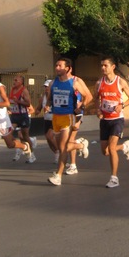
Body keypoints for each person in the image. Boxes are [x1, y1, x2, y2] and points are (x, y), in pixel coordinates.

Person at [48, 58, 92, 186]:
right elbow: (49, 98)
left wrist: (81, 107)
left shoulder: (75, 82)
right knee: (62, 147)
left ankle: (58, 176)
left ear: (67, 68)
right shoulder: (53, 82)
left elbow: (88, 96)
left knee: (63, 148)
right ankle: (80, 145)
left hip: (68, 117)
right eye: (56, 65)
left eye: (60, 66)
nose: (57, 68)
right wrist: (47, 105)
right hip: (56, 117)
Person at [94, 57, 129, 188]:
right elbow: (96, 98)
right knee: (105, 151)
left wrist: (122, 105)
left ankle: (114, 178)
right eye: (101, 65)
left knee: (111, 148)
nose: (102, 68)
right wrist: (98, 110)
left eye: (105, 65)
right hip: (105, 120)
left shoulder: (120, 82)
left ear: (113, 67)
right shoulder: (99, 83)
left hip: (117, 120)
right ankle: (123, 147)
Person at [9, 75, 36, 164]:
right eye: (14, 80)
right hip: (14, 116)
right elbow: (11, 102)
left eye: (16, 80)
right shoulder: (12, 90)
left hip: (23, 116)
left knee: (25, 136)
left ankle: (31, 154)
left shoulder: (24, 91)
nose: (14, 81)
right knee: (8, 133)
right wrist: (9, 107)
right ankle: (21, 146)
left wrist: (18, 101)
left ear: (21, 82)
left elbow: (28, 103)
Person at [34, 79, 59, 162]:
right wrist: (37, 111)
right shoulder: (42, 98)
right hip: (47, 119)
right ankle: (56, 153)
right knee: (48, 140)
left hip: (54, 119)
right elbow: (38, 109)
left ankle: (59, 152)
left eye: (47, 86)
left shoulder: (56, 96)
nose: (46, 88)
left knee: (49, 136)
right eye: (44, 87)